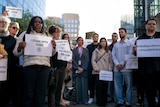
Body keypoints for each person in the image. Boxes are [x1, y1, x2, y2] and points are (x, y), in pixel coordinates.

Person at [13, 16, 56, 107]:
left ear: (42, 24)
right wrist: (20, 47)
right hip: (29, 68)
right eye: (36, 22)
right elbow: (15, 53)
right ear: (32, 23)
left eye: (40, 22)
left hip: (45, 68)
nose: (38, 24)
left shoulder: (47, 36)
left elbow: (52, 53)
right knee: (28, 94)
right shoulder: (25, 34)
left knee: (41, 94)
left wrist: (54, 47)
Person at [133, 18, 160, 107]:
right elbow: (136, 54)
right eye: (149, 24)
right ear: (146, 26)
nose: (151, 25)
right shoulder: (140, 39)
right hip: (146, 71)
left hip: (158, 69)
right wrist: (134, 50)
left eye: (153, 24)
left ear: (156, 26)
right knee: (149, 94)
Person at [0, 13, 20, 107]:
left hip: (8, 73)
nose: (3, 24)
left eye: (5, 22)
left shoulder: (13, 40)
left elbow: (15, 57)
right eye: (1, 22)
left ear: (7, 25)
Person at [47, 25, 68, 107]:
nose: (58, 33)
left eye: (59, 32)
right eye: (56, 32)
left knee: (59, 88)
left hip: (63, 67)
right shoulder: (50, 42)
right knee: (53, 88)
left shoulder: (63, 43)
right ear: (52, 33)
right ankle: (51, 105)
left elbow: (66, 55)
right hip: (54, 68)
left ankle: (57, 104)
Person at [112, 28, 133, 107]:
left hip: (127, 68)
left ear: (125, 33)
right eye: (119, 32)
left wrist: (122, 64)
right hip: (117, 68)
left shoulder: (129, 43)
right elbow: (113, 55)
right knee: (118, 86)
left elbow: (129, 54)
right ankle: (120, 101)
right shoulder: (116, 45)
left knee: (128, 86)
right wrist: (117, 64)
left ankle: (128, 102)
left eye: (122, 32)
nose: (120, 33)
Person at [92, 37, 113, 107]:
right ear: (100, 43)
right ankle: (99, 102)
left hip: (106, 72)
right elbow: (93, 60)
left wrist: (110, 69)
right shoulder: (96, 51)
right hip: (98, 72)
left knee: (105, 88)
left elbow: (110, 62)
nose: (103, 43)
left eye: (104, 41)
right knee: (99, 88)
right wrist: (96, 68)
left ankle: (104, 102)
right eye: (102, 41)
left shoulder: (109, 52)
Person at [72, 36, 89, 105]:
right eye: (79, 40)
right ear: (77, 41)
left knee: (84, 85)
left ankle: (85, 100)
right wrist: (77, 67)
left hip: (84, 70)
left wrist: (83, 68)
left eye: (81, 40)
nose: (80, 41)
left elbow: (87, 59)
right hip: (76, 69)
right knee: (77, 85)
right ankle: (76, 100)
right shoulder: (74, 50)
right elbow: (73, 59)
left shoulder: (86, 50)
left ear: (83, 42)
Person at [86, 32, 99, 104]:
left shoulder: (100, 46)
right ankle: (91, 97)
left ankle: (98, 98)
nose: (95, 38)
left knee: (98, 84)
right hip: (90, 67)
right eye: (94, 37)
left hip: (99, 67)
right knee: (91, 84)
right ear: (92, 38)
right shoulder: (89, 47)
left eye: (96, 37)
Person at [60, 33, 72, 106]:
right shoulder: (61, 45)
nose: (66, 39)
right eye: (65, 37)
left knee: (66, 85)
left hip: (69, 67)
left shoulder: (70, 47)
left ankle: (63, 99)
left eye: (67, 37)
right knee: (61, 85)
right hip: (62, 67)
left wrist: (69, 67)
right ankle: (60, 100)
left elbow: (70, 58)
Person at [108, 32, 118, 103]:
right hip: (111, 67)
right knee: (111, 84)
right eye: (113, 36)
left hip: (119, 66)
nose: (114, 37)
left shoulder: (120, 45)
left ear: (117, 37)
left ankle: (119, 97)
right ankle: (112, 97)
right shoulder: (109, 47)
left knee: (119, 84)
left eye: (115, 36)